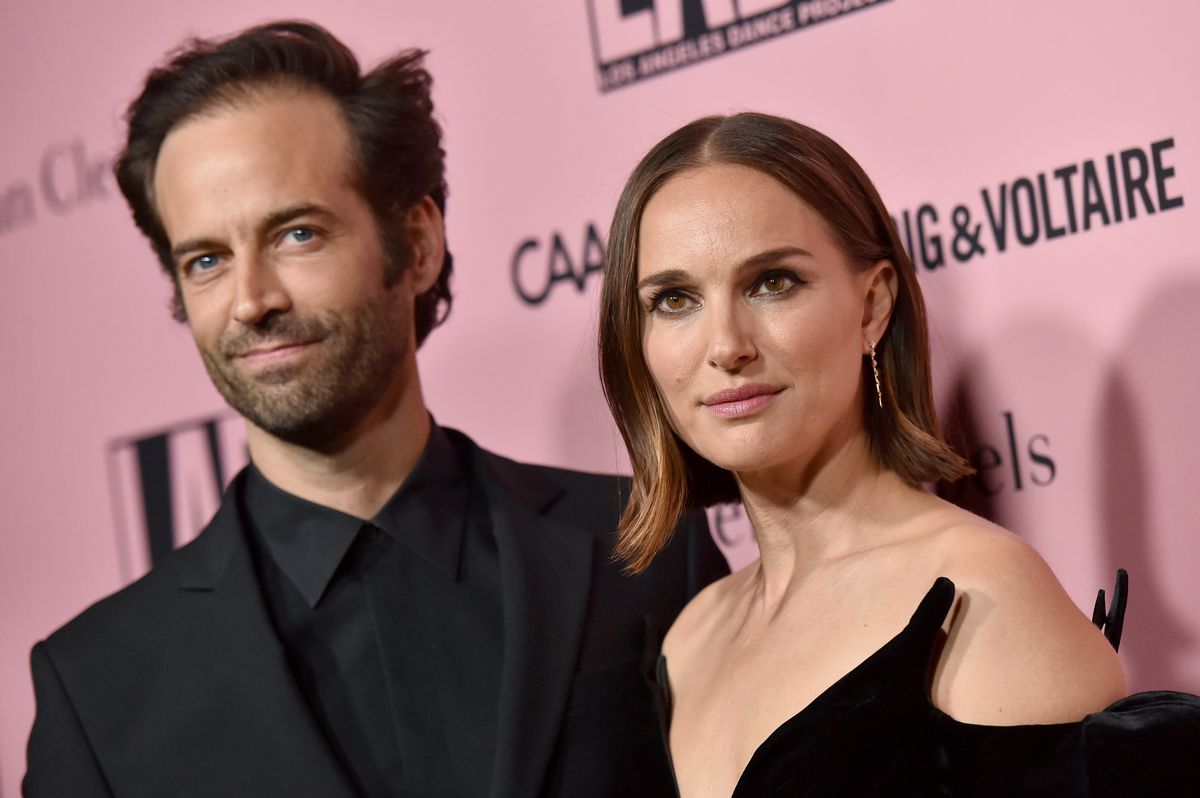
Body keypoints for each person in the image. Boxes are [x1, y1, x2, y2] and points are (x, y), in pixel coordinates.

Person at [23, 21, 727, 798]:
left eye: (297, 234)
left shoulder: (644, 551)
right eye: (207, 260)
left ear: (417, 244)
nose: (251, 299)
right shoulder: (99, 691)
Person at [598, 112, 1200, 796]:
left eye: (772, 283)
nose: (726, 345)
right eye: (675, 299)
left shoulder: (981, 599)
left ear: (873, 305)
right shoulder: (688, 640)